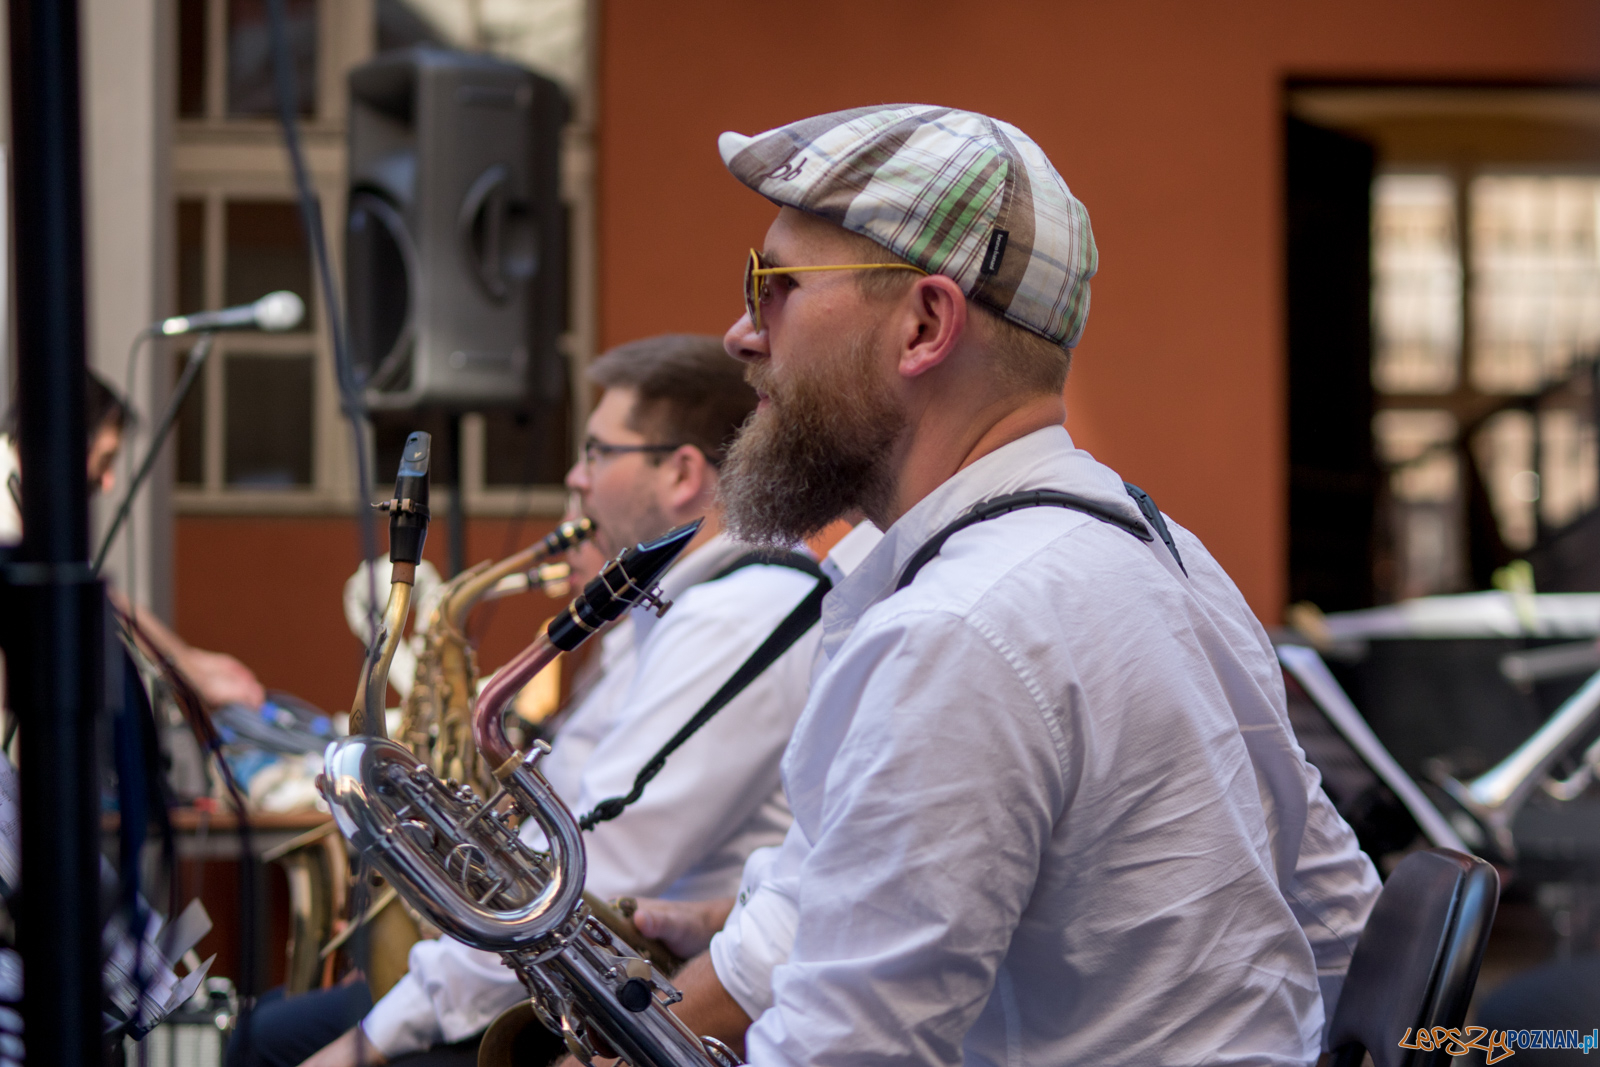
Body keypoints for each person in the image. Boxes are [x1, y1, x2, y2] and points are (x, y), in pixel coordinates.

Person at [624, 105, 1382, 1067]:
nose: (741, 332)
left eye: (771, 285)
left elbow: (843, 1055)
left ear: (926, 324)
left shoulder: (959, 630)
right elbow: (1341, 919)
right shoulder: (1160, 550)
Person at [280, 334, 827, 1067]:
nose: (578, 476)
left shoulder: (738, 612)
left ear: (681, 473)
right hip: (582, 977)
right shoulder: (673, 611)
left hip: (635, 1000)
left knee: (270, 1041)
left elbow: (579, 868)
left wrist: (381, 1030)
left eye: (598, 453)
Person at [0, 372, 265, 710]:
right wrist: (191, 672)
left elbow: (109, 602)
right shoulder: (6, 519)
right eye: (106, 458)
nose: (108, 482)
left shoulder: (26, 497)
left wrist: (190, 664)